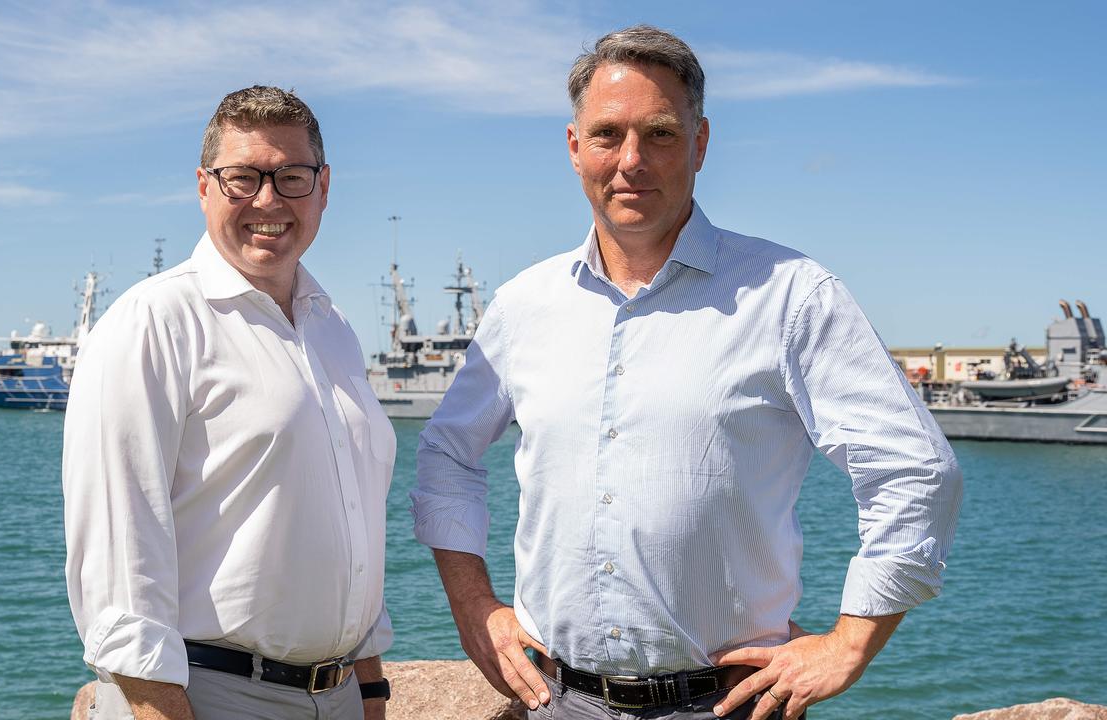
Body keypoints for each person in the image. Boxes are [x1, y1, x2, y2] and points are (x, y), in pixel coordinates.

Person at [411, 25, 962, 720]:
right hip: (556, 701)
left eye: (662, 134)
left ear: (701, 144)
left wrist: (849, 643)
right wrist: (473, 605)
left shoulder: (790, 294)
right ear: (575, 148)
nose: (632, 159)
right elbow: (444, 452)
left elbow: (916, 470)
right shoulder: (525, 305)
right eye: (608, 134)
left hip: (725, 706)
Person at [64, 86, 395, 720]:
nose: (267, 200)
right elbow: (118, 564)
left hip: (341, 695)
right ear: (203, 187)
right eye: (242, 177)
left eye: (291, 177)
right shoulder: (153, 322)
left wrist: (370, 690)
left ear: (323, 188)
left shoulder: (336, 330)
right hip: (207, 694)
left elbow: (352, 524)